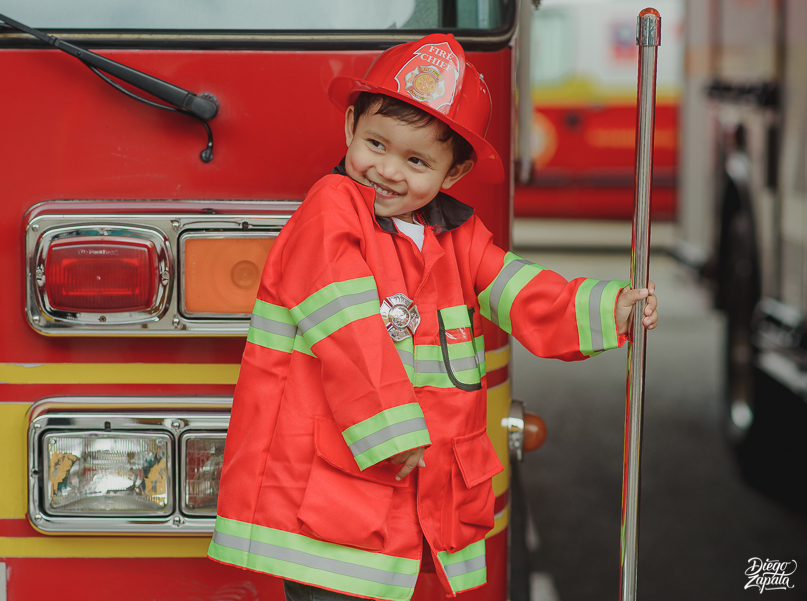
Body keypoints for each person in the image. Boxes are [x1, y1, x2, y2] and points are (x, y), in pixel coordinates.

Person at [207, 33, 658, 601]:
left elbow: (523, 292)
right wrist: (391, 429)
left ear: (452, 173)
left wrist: (608, 307)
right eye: (376, 143)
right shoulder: (329, 211)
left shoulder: (458, 236)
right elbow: (349, 331)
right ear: (349, 129)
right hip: (328, 499)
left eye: (416, 160)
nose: (388, 171)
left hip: (404, 492)